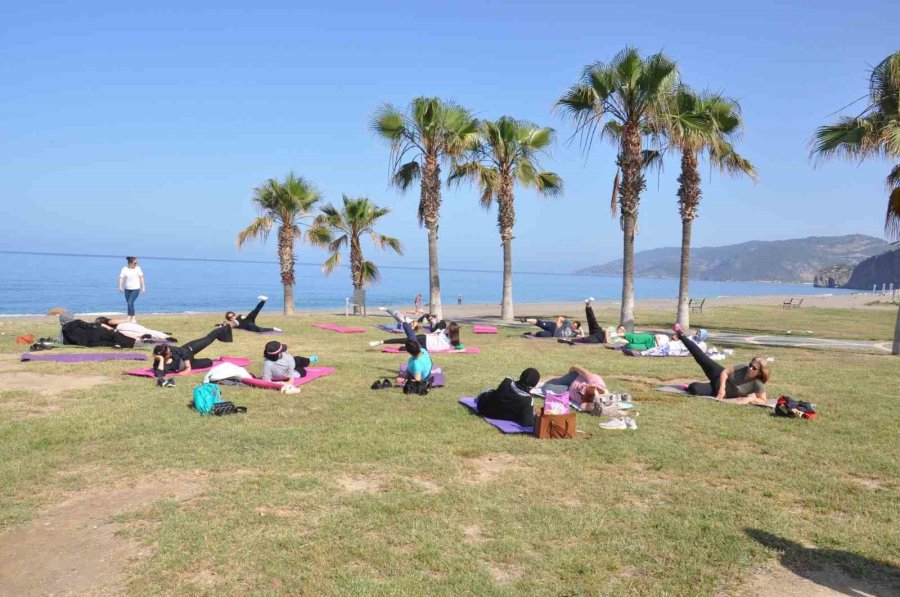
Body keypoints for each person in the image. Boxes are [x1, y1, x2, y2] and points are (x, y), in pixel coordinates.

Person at [673, 324, 769, 404]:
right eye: (750, 365)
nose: (750, 368)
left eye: (754, 368)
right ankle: (681, 335)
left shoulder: (758, 384)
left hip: (715, 389)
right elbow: (725, 372)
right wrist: (722, 388)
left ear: (760, 372)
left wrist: (749, 399)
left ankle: (688, 386)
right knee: (701, 357)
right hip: (718, 374)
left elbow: (763, 400)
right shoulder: (743, 367)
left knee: (694, 388)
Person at [151, 325, 233, 386]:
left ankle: (225, 328)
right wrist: (161, 359)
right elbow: (159, 374)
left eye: (169, 349)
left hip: (188, 350)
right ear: (164, 356)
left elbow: (183, 352)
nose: (170, 351)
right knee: (209, 362)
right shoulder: (161, 364)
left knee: (208, 339)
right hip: (191, 363)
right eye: (169, 353)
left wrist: (188, 368)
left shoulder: (169, 349)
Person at [371, 308, 464, 352]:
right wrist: (428, 334)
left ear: (452, 331)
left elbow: (461, 348)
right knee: (404, 340)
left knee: (405, 347)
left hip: (425, 347)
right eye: (447, 327)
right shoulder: (443, 331)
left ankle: (404, 328)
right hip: (425, 339)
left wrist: (453, 350)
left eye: (448, 328)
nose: (446, 328)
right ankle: (380, 342)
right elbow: (435, 334)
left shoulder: (452, 342)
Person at [476, 368, 540, 426]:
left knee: (489, 390)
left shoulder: (507, 381)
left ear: (521, 375)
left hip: (483, 408)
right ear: (534, 385)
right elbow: (527, 422)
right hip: (496, 414)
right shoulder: (528, 400)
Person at [541, 364, 608, 409]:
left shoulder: (590, 402)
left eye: (583, 395)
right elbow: (579, 368)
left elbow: (582, 407)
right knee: (557, 381)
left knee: (546, 388)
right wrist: (573, 368)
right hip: (574, 378)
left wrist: (592, 405)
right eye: (587, 388)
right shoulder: (596, 380)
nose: (582, 392)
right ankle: (558, 380)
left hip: (568, 390)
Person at [61, 316, 136, 348]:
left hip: (89, 343)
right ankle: (133, 342)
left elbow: (63, 342)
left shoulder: (64, 333)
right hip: (94, 334)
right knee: (113, 335)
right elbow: (88, 325)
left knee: (107, 343)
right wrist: (100, 325)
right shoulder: (76, 322)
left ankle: (120, 344)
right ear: (70, 318)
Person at [95, 317, 177, 343]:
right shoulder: (106, 327)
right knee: (146, 331)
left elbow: (118, 323)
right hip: (127, 327)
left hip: (124, 326)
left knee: (139, 333)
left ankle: (163, 337)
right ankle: (165, 337)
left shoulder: (109, 322)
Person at [118, 256, 145, 323]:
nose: (136, 264)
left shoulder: (138, 268)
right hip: (127, 289)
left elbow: (141, 277)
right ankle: (129, 317)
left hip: (136, 289)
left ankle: (133, 318)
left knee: (130, 302)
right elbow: (121, 278)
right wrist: (120, 286)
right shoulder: (124, 269)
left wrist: (143, 287)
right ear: (130, 263)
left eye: (136, 263)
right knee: (129, 303)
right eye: (135, 263)